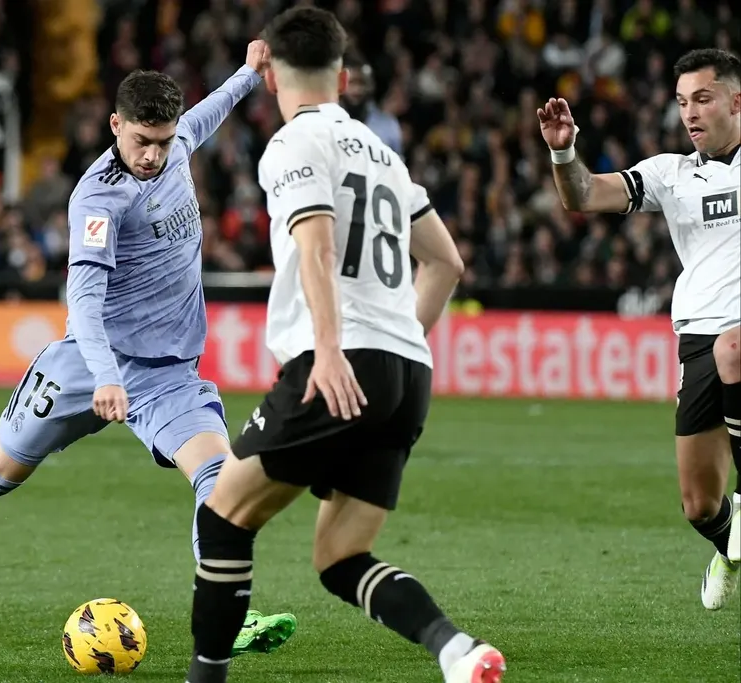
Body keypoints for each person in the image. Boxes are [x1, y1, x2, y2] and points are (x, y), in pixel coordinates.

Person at [0, 41, 298, 657]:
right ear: (116, 125)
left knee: (219, 479)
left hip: (169, 375)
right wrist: (104, 377)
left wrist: (247, 74)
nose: (153, 156)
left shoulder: (176, 147)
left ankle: (233, 615)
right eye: (141, 142)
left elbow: (210, 112)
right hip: (88, 365)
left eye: (164, 141)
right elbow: (85, 306)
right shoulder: (97, 202)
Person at [184, 8, 506, 683]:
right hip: (405, 371)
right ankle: (457, 650)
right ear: (345, 75)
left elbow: (318, 242)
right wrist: (398, 345)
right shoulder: (385, 155)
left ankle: (205, 676)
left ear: (267, 71)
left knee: (223, 519)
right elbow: (446, 263)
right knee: (340, 557)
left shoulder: (294, 145)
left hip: (334, 363)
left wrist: (330, 350)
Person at [539, 47, 741, 609]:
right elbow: (583, 196)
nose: (691, 113)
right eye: (682, 102)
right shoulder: (671, 174)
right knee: (699, 504)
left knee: (737, 348)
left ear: (736, 99)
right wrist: (564, 153)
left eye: (702, 98)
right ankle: (730, 545)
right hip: (699, 338)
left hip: (737, 339)